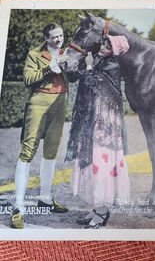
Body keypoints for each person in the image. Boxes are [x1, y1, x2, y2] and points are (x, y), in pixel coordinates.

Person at [65, 35, 130, 229]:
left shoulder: (113, 65)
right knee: (93, 158)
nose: (103, 46)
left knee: (103, 159)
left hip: (106, 121)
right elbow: (82, 79)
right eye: (104, 43)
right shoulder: (100, 61)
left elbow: (94, 82)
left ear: (116, 51)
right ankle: (96, 208)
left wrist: (90, 66)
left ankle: (102, 210)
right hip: (95, 116)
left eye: (108, 45)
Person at [11, 24, 72, 229]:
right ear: (46, 38)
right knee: (27, 152)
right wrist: (48, 68)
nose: (58, 40)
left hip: (60, 103)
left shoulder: (66, 53)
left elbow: (72, 77)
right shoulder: (35, 54)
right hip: (39, 103)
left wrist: (83, 66)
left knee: (51, 152)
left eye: (61, 36)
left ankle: (45, 198)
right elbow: (28, 79)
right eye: (54, 37)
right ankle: (19, 207)